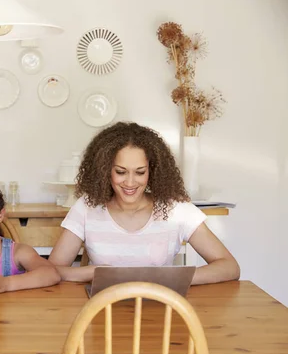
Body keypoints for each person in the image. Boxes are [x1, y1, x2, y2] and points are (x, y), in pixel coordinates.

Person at [48, 122, 240, 285]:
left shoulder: (175, 209)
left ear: (152, 171)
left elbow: (229, 267)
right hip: (102, 316)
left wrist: (170, 278)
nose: (130, 183)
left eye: (140, 172)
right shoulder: (87, 207)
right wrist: (94, 273)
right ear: (105, 171)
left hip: (161, 314)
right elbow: (51, 271)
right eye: (121, 172)